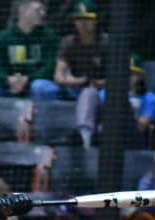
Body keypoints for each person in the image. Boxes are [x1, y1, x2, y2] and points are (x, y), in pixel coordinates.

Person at [0, 0, 61, 100]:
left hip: (34, 87)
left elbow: (49, 67)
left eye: (43, 10)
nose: (43, 13)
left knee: (41, 87)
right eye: (38, 10)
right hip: (8, 87)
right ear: (22, 10)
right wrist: (9, 80)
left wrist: (27, 79)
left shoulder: (49, 36)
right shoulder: (3, 37)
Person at [76, 52, 155, 149]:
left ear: (140, 76)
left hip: (131, 140)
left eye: (132, 74)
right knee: (88, 92)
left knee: (119, 99)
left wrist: (128, 108)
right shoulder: (104, 93)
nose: (127, 76)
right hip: (102, 134)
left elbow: (141, 128)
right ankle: (85, 140)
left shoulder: (150, 98)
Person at [52, 0, 107, 146]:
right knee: (43, 88)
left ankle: (85, 138)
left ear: (96, 20)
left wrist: (99, 83)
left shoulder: (106, 42)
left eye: (87, 19)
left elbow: (119, 77)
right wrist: (77, 81)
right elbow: (58, 76)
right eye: (79, 18)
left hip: (101, 92)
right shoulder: (68, 42)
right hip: (74, 88)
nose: (83, 23)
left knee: (90, 94)